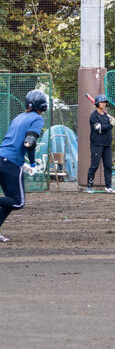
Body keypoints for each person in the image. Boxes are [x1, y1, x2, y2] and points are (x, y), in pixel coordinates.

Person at [0, 91, 48, 243]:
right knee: (17, 202)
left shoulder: (18, 117)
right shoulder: (37, 118)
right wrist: (32, 162)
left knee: (9, 202)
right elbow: (29, 142)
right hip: (11, 161)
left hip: (2, 156)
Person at [86, 94, 115, 194]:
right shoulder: (93, 116)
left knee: (108, 166)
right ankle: (89, 186)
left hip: (107, 145)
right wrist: (110, 124)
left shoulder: (106, 116)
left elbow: (108, 127)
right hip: (97, 144)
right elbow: (100, 129)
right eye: (101, 102)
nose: (103, 104)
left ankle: (108, 187)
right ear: (97, 103)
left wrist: (111, 122)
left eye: (104, 102)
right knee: (94, 166)